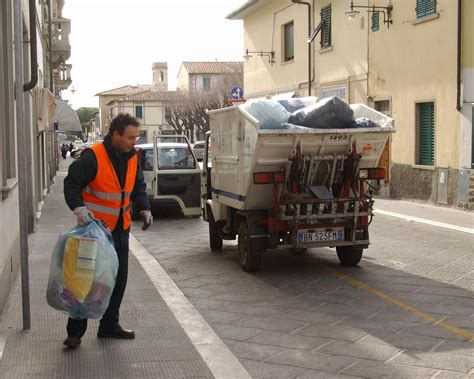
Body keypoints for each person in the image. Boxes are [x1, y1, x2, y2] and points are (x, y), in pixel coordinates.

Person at [62, 113, 152, 349]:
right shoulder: (94, 157)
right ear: (116, 135)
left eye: (136, 137)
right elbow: (71, 183)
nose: (134, 141)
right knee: (86, 282)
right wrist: (79, 208)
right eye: (130, 137)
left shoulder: (133, 158)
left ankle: (109, 325)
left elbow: (138, 187)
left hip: (120, 231)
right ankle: (75, 333)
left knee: (118, 281)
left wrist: (144, 208)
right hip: (94, 233)